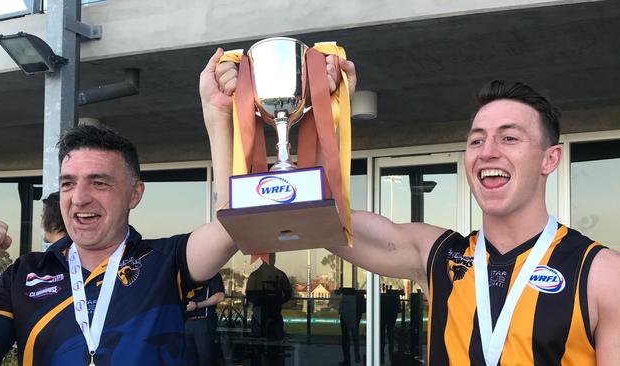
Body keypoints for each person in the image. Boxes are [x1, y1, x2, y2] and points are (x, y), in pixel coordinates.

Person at [205, 50, 620, 365]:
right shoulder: (438, 256)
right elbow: (312, 218)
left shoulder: (601, 273)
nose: (488, 151)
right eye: (476, 140)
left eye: (509, 138)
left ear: (550, 159)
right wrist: (323, 113)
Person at [0, 55, 240, 365]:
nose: (79, 198)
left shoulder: (164, 261)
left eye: (99, 183)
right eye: (68, 183)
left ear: (134, 194)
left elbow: (232, 224)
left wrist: (217, 116)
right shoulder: (26, 273)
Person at [244, 253, 292, 366]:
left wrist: (275, 302)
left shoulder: (274, 275)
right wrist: (272, 301)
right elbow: (249, 295)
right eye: (270, 257)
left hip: (270, 316)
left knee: (270, 349)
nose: (272, 259)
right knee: (260, 349)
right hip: (262, 316)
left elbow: (288, 294)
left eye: (273, 257)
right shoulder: (275, 275)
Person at [183, 272, 225, 366]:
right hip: (187, 321)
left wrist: (198, 305)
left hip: (203, 321)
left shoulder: (212, 273)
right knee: (189, 360)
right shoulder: (186, 275)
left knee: (205, 359)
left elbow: (220, 296)